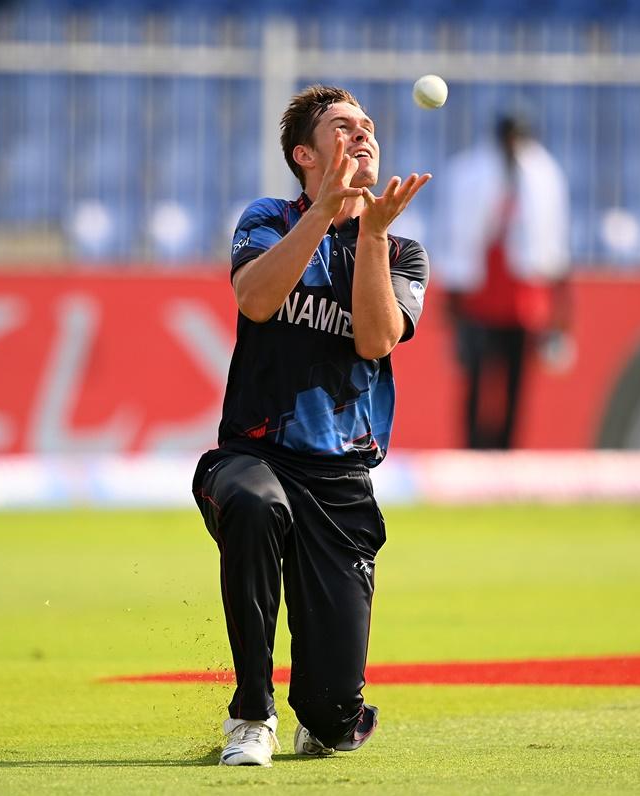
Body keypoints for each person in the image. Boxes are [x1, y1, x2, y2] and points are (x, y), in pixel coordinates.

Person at [192, 84, 431, 767]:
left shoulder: (401, 250)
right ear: (305, 153)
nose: (362, 134)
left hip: (342, 478)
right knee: (252, 505)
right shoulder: (269, 219)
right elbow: (257, 299)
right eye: (342, 126)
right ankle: (251, 715)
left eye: (368, 127)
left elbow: (377, 342)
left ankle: (316, 714)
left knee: (331, 722)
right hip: (255, 454)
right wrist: (324, 213)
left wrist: (373, 233)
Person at [434, 114, 571, 449]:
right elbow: (457, 239)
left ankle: (507, 448)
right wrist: (453, 303)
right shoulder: (471, 174)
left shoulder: (543, 176)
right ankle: (473, 446)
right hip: (480, 294)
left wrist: (559, 315)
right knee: (477, 377)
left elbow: (552, 244)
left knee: (516, 381)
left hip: (521, 296)